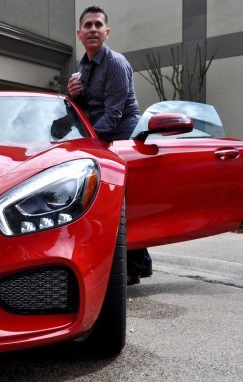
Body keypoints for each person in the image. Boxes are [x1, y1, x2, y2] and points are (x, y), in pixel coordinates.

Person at [67, 5, 152, 285]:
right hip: (104, 138)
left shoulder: (115, 63)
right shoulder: (83, 67)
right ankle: (144, 263)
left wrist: (87, 143)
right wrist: (73, 96)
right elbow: (88, 109)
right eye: (87, 25)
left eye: (98, 25)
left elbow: (114, 113)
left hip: (125, 138)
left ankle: (133, 269)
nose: (93, 29)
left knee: (124, 204)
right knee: (120, 203)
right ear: (79, 34)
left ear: (107, 32)